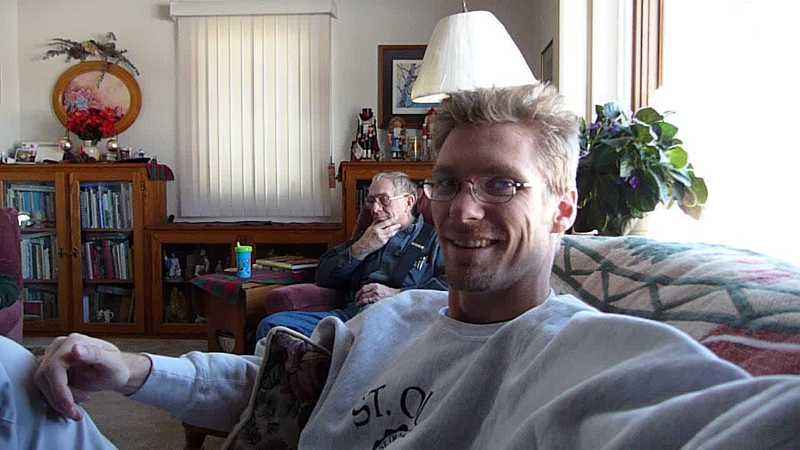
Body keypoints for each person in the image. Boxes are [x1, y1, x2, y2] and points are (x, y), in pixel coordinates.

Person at [2, 84, 799, 449]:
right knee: (12, 368)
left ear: (564, 210)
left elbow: (727, 421)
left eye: (501, 185)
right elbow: (273, 383)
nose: (463, 210)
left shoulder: (590, 353)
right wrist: (132, 367)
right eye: (448, 184)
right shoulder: (390, 322)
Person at [255, 171, 447, 340]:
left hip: (397, 321)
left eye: (384, 199)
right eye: (371, 201)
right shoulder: (369, 235)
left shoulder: (434, 240)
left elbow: (448, 289)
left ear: (409, 201)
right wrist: (361, 248)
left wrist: (397, 294)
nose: (375, 209)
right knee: (272, 326)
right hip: (350, 318)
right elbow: (323, 276)